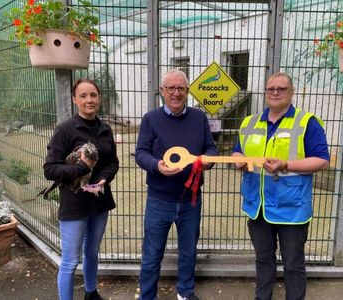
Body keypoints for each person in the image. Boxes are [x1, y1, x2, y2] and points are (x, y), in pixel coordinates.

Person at [232, 72, 329, 300]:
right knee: (263, 259)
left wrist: (286, 164)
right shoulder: (250, 122)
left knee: (293, 263)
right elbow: (238, 150)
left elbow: (322, 159)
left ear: (291, 92)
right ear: (266, 92)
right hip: (259, 206)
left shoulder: (307, 123)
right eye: (271, 89)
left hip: (291, 207)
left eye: (281, 89)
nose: (275, 93)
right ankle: (262, 297)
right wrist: (238, 158)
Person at [135, 69, 218, 300]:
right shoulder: (151, 119)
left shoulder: (199, 118)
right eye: (171, 88)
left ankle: (185, 292)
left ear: (187, 91)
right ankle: (148, 296)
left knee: (188, 251)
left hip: (191, 198)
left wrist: (207, 161)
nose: (176, 93)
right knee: (152, 254)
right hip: (159, 199)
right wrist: (157, 165)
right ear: (162, 91)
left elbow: (210, 148)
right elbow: (141, 153)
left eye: (181, 88)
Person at [43, 79, 119, 300]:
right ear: (75, 99)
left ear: (99, 98)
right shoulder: (65, 129)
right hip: (75, 203)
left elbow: (112, 162)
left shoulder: (105, 129)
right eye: (83, 96)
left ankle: (91, 293)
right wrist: (80, 168)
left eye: (93, 95)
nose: (89, 100)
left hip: (99, 201)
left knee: (92, 253)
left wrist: (104, 179)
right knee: (70, 261)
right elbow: (50, 169)